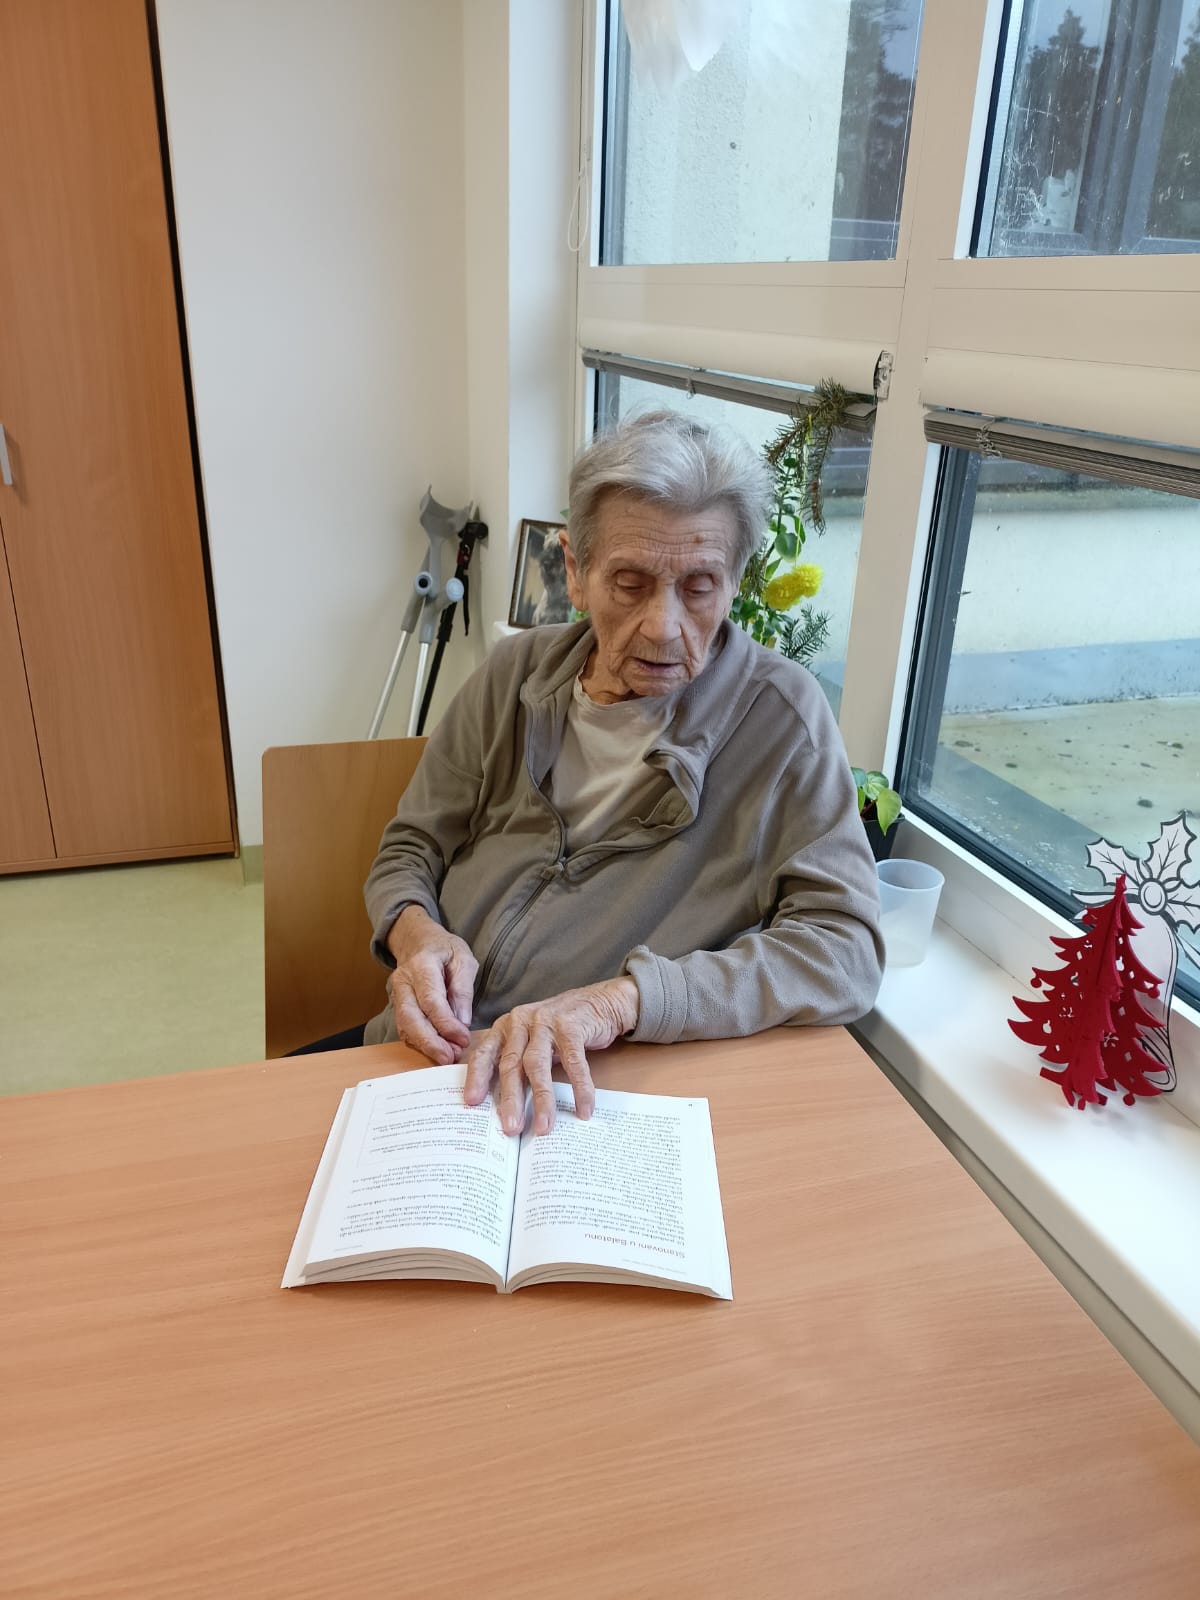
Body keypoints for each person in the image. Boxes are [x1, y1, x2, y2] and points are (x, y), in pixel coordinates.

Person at [359, 410, 883, 1133]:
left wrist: (624, 1001)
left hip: (596, 1091)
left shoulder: (781, 722)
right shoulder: (515, 674)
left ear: (736, 581)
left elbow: (843, 949)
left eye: (700, 586)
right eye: (630, 584)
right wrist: (416, 935)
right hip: (431, 1059)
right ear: (574, 571)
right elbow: (410, 847)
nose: (664, 627)